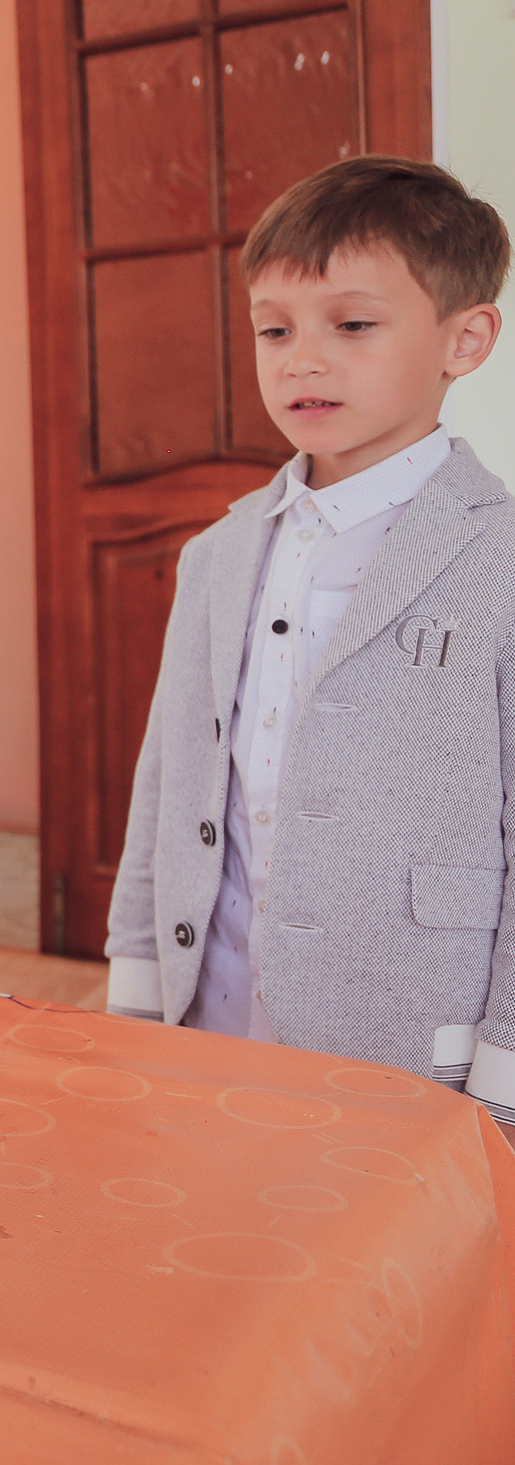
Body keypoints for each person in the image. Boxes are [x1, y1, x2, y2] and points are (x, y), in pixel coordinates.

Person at [104, 156, 511, 1114]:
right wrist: (131, 993)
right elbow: (167, 779)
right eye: (274, 330)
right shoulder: (217, 552)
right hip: (211, 1008)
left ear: (467, 339)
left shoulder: (496, 555)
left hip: (414, 1039)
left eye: (354, 325)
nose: (303, 359)